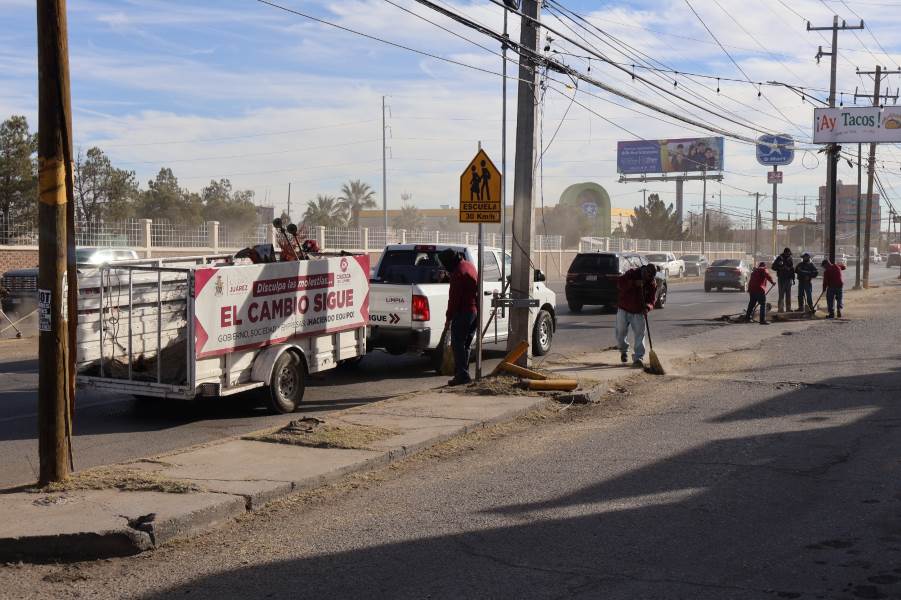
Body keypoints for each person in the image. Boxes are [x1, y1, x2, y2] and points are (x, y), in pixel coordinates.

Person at [438, 248, 478, 385]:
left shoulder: (457, 273)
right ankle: (463, 372)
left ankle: (462, 375)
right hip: (474, 312)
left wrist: (448, 319)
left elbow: (453, 300)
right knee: (465, 344)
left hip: (464, 313)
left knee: (458, 344)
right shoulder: (468, 266)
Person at [615, 263, 658, 368]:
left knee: (640, 334)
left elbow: (652, 300)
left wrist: (647, 307)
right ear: (645, 271)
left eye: (651, 277)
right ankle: (623, 350)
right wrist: (633, 283)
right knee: (620, 332)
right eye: (648, 276)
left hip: (639, 311)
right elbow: (620, 283)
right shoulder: (632, 273)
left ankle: (638, 358)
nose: (649, 279)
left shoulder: (652, 283)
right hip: (624, 308)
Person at [771, 247, 795, 312]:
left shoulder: (790, 258)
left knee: (788, 295)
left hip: (789, 279)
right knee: (781, 294)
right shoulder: (780, 258)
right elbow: (773, 267)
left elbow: (792, 269)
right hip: (782, 279)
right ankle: (780, 308)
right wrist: (781, 267)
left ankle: (788, 308)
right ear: (784, 253)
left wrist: (793, 278)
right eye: (787, 253)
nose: (788, 254)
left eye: (789, 253)